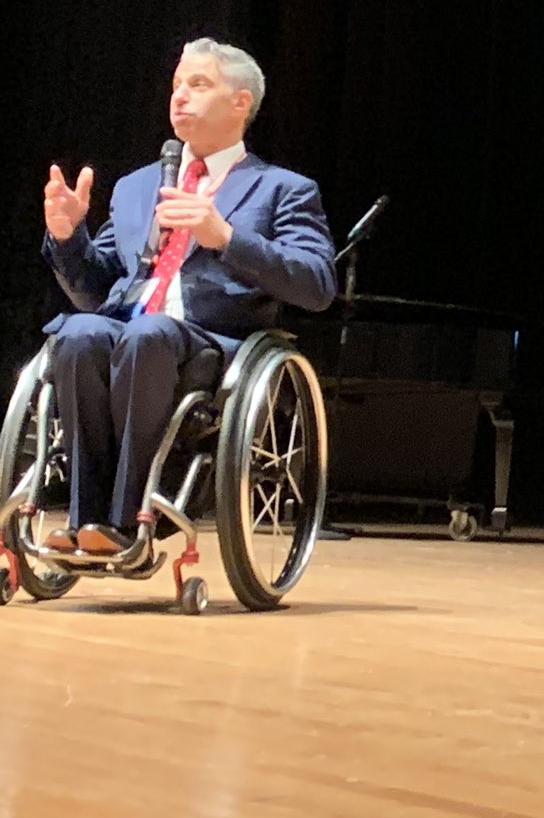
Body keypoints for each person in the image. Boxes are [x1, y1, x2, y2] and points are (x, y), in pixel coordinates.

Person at [38, 39, 336, 556]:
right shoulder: (137, 187)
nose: (179, 97)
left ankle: (133, 519)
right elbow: (93, 290)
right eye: (176, 85)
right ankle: (87, 519)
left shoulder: (282, 189)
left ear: (241, 102)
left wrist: (226, 237)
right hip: (129, 327)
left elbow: (317, 285)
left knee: (147, 334)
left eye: (198, 85)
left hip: (209, 342)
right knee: (81, 332)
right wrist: (68, 238)